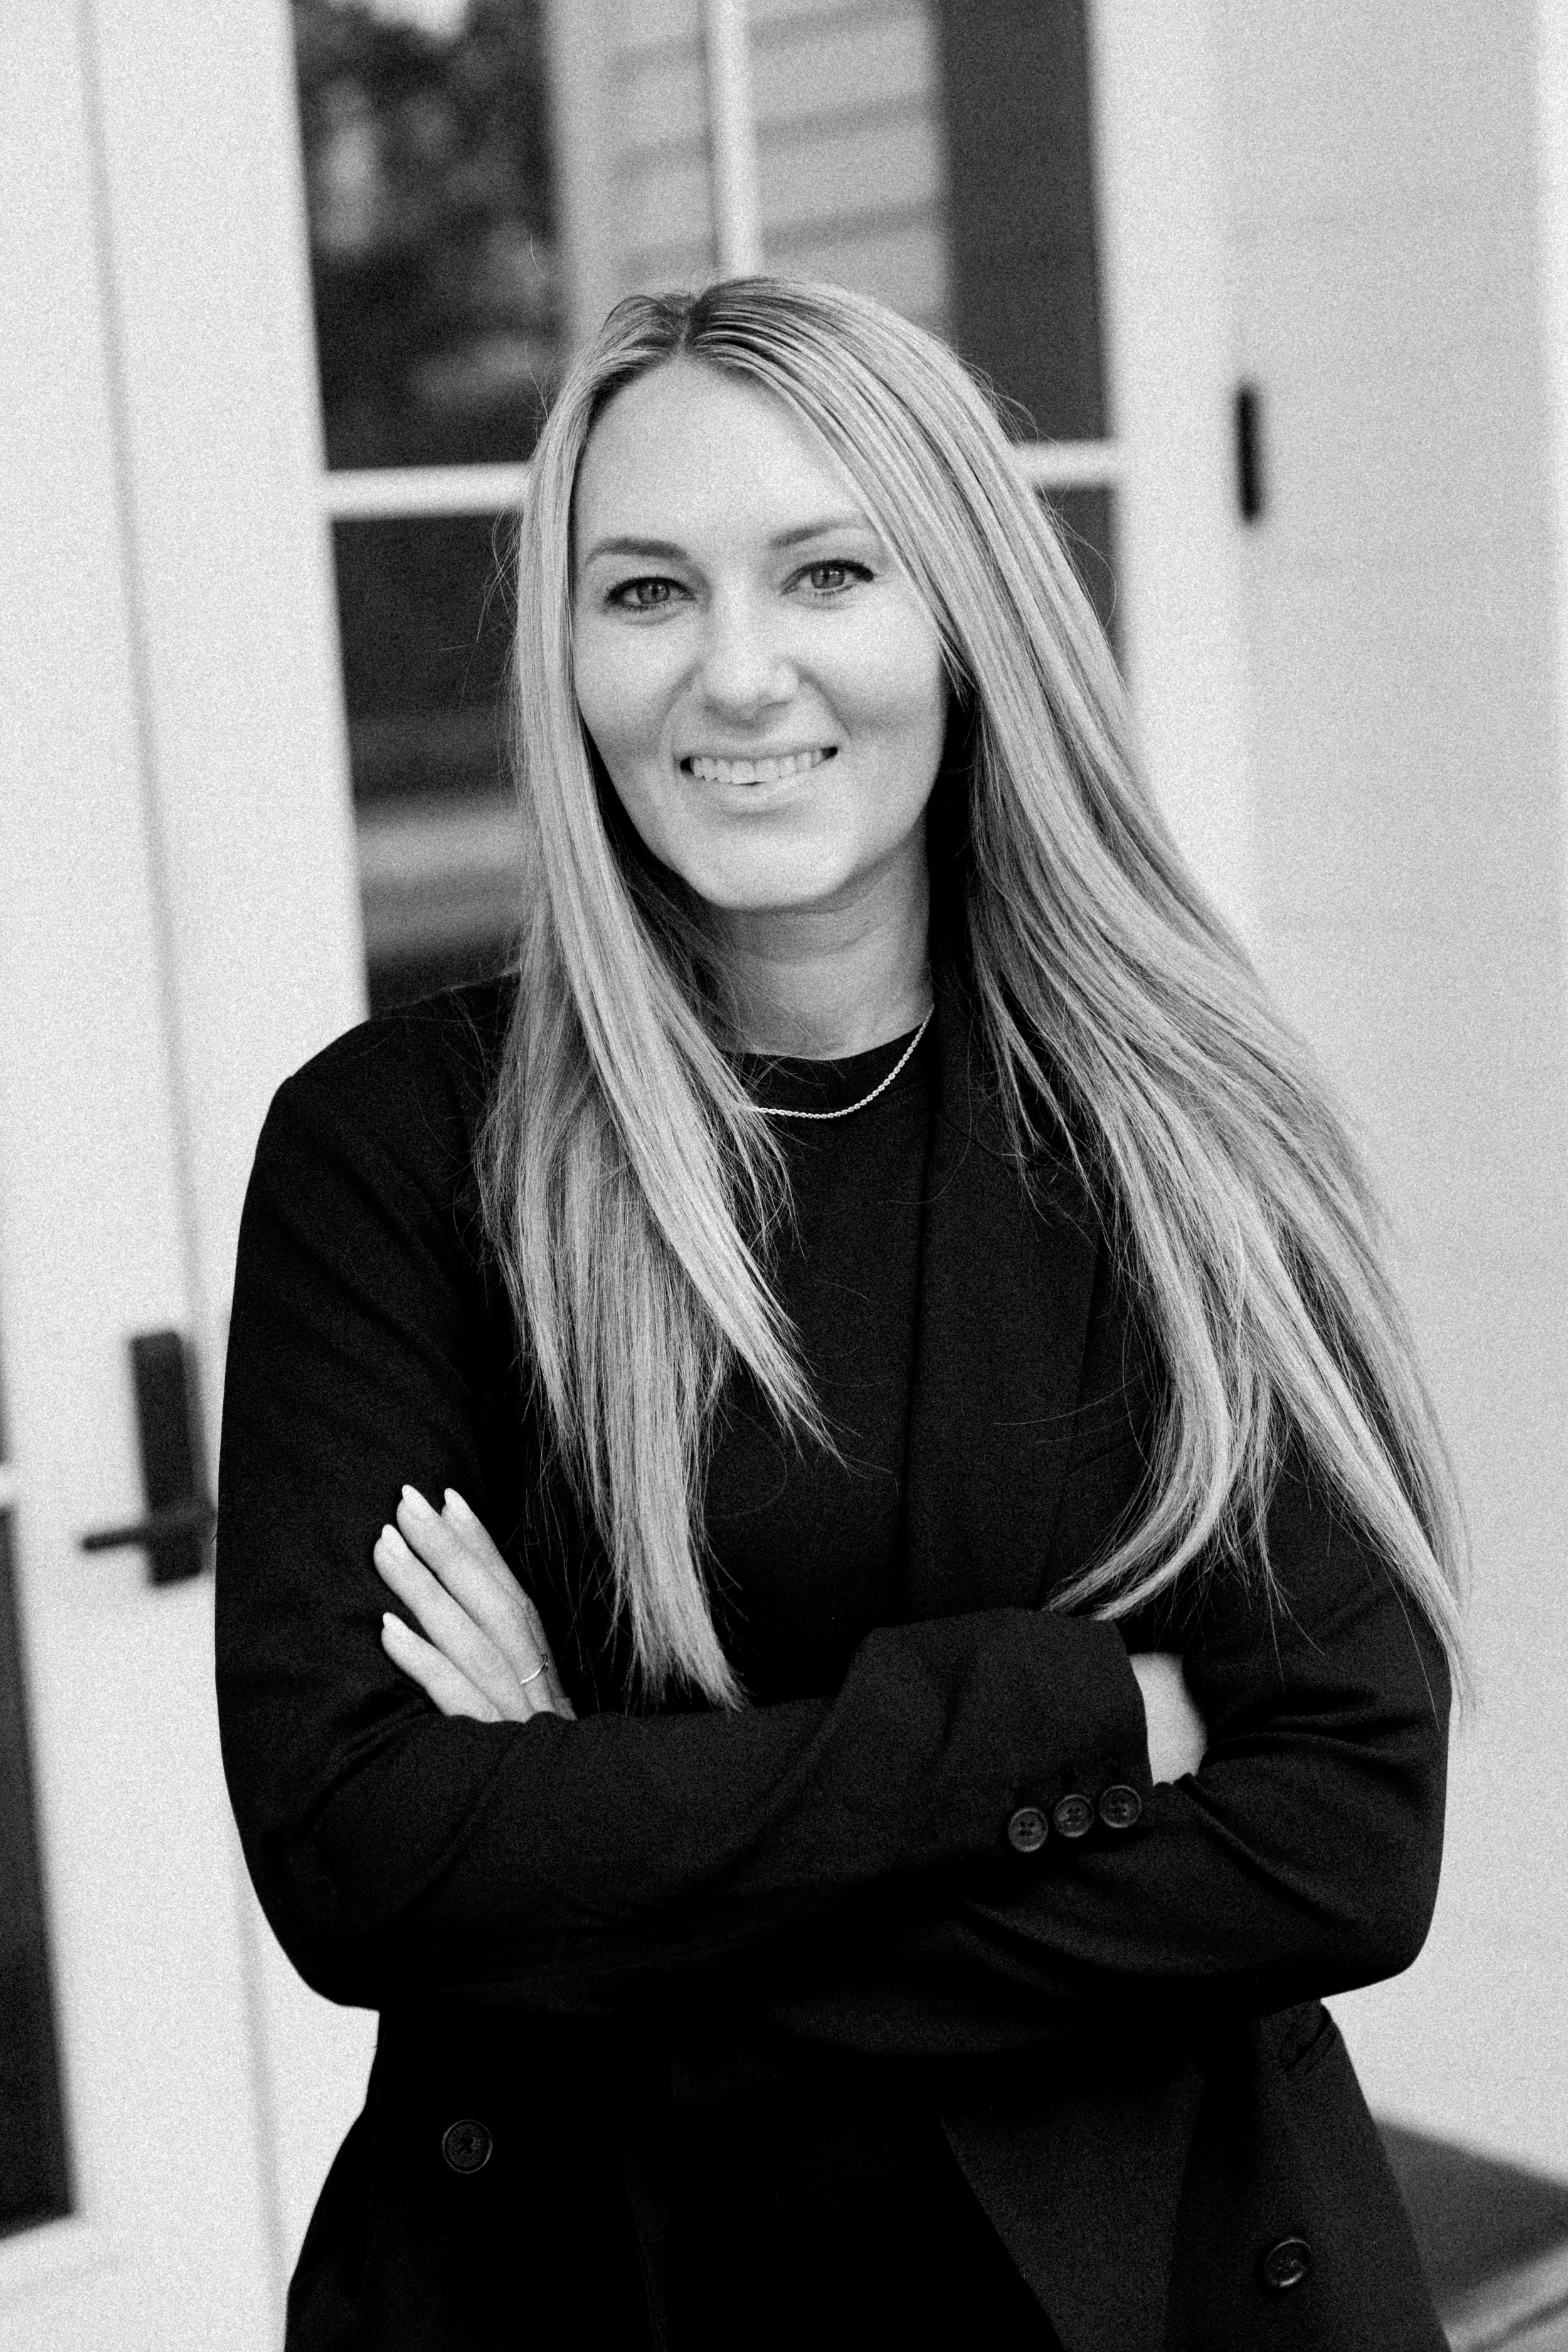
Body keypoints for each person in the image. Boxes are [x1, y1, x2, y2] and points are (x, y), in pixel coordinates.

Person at [216, 277, 1463, 2352]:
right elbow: (367, 1855)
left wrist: (593, 1817)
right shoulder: (398, 1153)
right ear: (567, 654)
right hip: (585, 2286)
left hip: (1144, 2287)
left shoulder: (1182, 1127)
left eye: (823, 569)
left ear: (960, 617)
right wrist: (1071, 1716)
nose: (735, 669)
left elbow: (1341, 1834)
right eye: (642, 591)